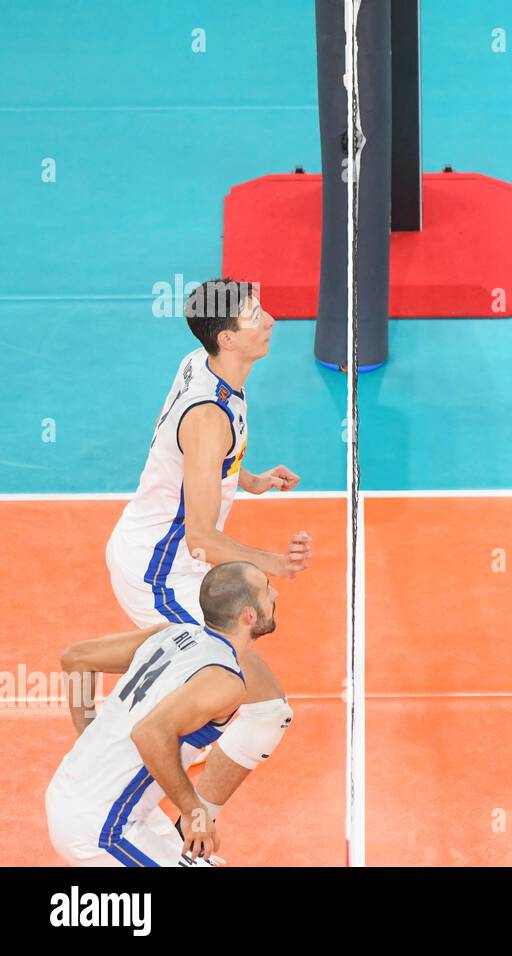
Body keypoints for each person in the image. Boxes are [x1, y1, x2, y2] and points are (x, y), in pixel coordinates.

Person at [104, 278, 308, 819]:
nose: (268, 320)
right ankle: (174, 817)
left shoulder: (202, 363)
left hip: (167, 557)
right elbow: (202, 538)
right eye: (253, 316)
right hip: (161, 573)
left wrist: (248, 480)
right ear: (227, 338)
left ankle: (172, 762)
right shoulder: (208, 415)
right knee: (261, 708)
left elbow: (188, 457)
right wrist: (274, 565)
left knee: (252, 703)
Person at [46, 562, 278, 866]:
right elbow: (149, 733)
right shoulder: (226, 681)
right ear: (249, 615)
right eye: (266, 590)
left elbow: (76, 659)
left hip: (72, 787)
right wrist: (194, 811)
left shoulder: (172, 634)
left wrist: (91, 738)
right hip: (102, 827)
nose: (275, 593)